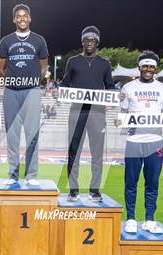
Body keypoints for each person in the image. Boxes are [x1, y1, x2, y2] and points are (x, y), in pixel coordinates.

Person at [60, 26, 114, 202]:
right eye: (86, 40)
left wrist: (116, 94)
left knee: (97, 153)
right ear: (82, 42)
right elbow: (65, 83)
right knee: (73, 152)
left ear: (97, 43)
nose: (89, 43)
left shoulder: (105, 63)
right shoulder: (73, 61)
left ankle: (95, 190)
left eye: (92, 40)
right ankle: (73, 190)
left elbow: (110, 86)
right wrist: (58, 90)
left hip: (97, 113)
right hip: (77, 111)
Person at [0, 3, 48, 185]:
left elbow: (43, 67)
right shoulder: (6, 41)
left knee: (32, 134)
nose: (22, 18)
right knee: (12, 135)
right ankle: (12, 174)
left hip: (32, 91)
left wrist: (32, 81)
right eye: (18, 16)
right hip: (11, 91)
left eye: (24, 15)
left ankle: (31, 175)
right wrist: (14, 80)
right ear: (14, 19)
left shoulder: (39, 40)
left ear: (30, 18)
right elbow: (0, 67)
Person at [118, 50, 163, 234]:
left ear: (155, 69)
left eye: (151, 67)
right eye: (145, 66)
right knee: (130, 182)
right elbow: (123, 114)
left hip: (155, 141)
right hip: (133, 140)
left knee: (152, 183)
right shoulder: (128, 88)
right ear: (139, 67)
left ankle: (150, 219)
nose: (148, 69)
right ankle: (131, 218)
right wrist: (119, 121)